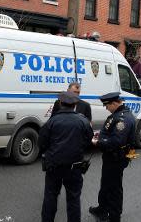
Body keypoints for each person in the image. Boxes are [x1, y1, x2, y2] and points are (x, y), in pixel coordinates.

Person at [39, 92, 94, 222]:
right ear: (75, 105)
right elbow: (88, 140)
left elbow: (41, 143)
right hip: (75, 167)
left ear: (60, 104)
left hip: (54, 166)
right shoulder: (83, 121)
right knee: (74, 199)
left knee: (50, 197)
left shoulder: (51, 121)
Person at [89, 92, 136, 222]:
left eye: (107, 105)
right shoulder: (118, 115)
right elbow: (111, 133)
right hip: (112, 158)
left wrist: (98, 142)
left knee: (114, 188)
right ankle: (102, 209)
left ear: (114, 103)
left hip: (116, 159)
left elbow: (117, 142)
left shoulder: (123, 119)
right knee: (106, 184)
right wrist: (101, 135)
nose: (106, 108)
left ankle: (115, 216)